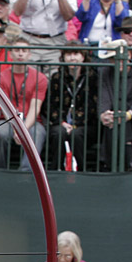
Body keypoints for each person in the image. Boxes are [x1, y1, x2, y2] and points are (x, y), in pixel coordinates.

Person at [97, 36, 132, 172]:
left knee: (121, 120)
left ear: (129, 56)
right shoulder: (105, 72)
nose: (118, 61)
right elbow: (103, 97)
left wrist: (127, 114)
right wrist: (103, 114)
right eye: (114, 58)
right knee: (114, 121)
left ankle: (110, 164)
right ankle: (129, 163)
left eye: (122, 58)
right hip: (114, 118)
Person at [0, 38, 47, 171]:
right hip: (8, 119)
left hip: (31, 120)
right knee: (1, 133)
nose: (20, 54)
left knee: (37, 134)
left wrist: (23, 128)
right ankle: (1, 170)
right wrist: (17, 128)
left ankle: (26, 172)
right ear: (10, 54)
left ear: (30, 55)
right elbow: (4, 107)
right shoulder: (0, 77)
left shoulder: (40, 78)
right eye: (17, 50)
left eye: (24, 51)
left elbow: (35, 107)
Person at [42, 41, 97, 170]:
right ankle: (55, 169)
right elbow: (50, 105)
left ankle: (83, 170)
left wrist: (76, 123)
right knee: (58, 133)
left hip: (85, 124)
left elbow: (93, 106)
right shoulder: (57, 77)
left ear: (83, 57)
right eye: (69, 54)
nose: (72, 58)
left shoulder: (93, 77)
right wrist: (61, 122)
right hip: (61, 123)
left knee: (77, 135)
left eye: (76, 54)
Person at [11, 0, 77, 64]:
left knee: (55, 73)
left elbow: (69, 16)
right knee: (29, 73)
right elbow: (17, 12)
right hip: (29, 40)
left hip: (55, 41)